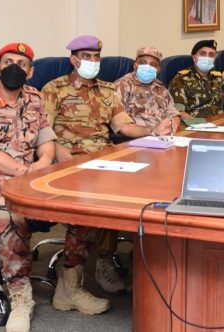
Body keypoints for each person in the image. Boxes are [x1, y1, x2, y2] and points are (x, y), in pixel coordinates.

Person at [0, 42, 109, 332]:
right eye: (8, 62)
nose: (14, 68)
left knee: (84, 205)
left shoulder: (34, 97)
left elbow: (46, 141)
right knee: (9, 215)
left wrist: (45, 161)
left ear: (30, 71)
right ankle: (21, 297)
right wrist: (23, 171)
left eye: (21, 64)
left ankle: (69, 288)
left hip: (28, 173)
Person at [42, 36, 151, 295]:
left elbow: (124, 126)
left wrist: (154, 130)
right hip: (71, 162)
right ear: (74, 60)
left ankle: (104, 259)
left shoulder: (107, 90)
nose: (92, 61)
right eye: (86, 56)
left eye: (96, 57)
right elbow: (43, 129)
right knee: (93, 203)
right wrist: (60, 154)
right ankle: (71, 282)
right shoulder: (54, 89)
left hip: (104, 161)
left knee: (131, 195)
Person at [168, 39, 224, 118]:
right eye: (203, 54)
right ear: (194, 57)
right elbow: (178, 112)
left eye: (211, 55)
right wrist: (197, 123)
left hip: (221, 121)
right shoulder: (181, 79)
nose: (207, 57)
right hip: (196, 122)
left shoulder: (218, 78)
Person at [115, 46, 182, 136]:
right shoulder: (122, 85)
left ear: (158, 69)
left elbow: (174, 114)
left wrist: (173, 125)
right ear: (135, 65)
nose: (147, 67)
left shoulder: (160, 87)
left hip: (164, 136)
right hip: (138, 138)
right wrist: (153, 131)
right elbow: (123, 126)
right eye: (142, 63)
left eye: (153, 64)